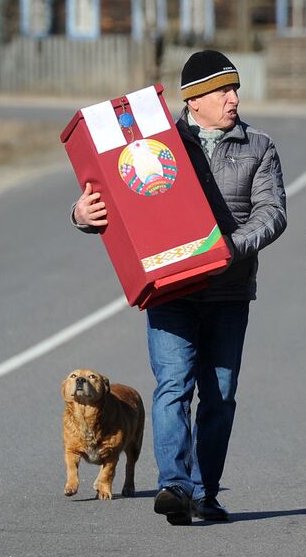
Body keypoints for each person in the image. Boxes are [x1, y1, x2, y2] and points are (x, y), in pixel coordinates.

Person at [74, 50, 286, 524]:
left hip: (229, 292)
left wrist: (229, 246)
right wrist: (80, 216)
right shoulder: (157, 143)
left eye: (235, 89)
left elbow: (273, 213)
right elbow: (113, 192)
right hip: (171, 290)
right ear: (195, 100)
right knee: (173, 386)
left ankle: (205, 493)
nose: (233, 98)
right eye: (222, 91)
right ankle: (174, 484)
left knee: (220, 394)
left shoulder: (259, 147)